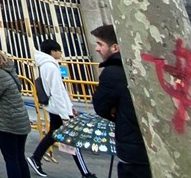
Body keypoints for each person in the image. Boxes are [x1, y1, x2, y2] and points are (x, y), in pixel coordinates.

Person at [28, 39, 96, 178]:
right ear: (52, 51)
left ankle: (36, 158)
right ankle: (85, 173)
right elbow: (58, 91)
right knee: (71, 138)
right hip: (58, 108)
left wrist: (69, 107)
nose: (61, 53)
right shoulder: (50, 66)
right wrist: (66, 113)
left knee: (54, 134)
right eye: (59, 50)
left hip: (56, 107)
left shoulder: (46, 65)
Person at [92, 25, 152, 178]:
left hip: (132, 148)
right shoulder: (142, 66)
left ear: (115, 47)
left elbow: (100, 107)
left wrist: (117, 111)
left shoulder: (111, 72)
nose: (96, 48)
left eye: (100, 44)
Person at [0, 44, 31, 178]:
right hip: (20, 120)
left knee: (11, 159)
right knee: (20, 157)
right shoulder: (9, 70)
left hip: (7, 122)